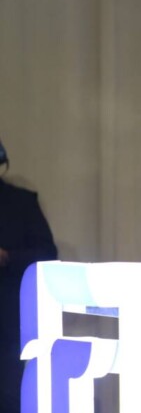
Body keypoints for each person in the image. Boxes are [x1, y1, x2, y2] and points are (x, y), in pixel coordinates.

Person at [0, 139, 58, 413]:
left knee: (10, 393)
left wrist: (7, 257)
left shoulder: (20, 203)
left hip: (7, 320)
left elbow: (47, 253)